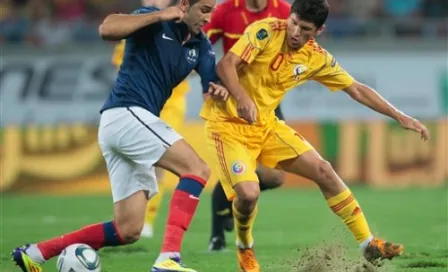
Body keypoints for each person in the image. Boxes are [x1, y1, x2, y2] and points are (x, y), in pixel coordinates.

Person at [200, 0, 430, 271]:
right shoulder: (265, 31)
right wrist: (241, 98)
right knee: (249, 195)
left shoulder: (316, 58)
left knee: (324, 170)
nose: (295, 32)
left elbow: (356, 89)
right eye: (293, 22)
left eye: (304, 28)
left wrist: (399, 116)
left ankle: (367, 243)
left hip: (266, 126)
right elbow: (226, 64)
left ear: (318, 31)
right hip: (227, 125)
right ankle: (244, 247)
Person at [12, 1, 228, 271]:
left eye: (212, 11)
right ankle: (169, 259)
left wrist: (217, 91)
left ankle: (37, 252)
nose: (208, 18)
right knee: (196, 169)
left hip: (126, 125)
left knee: (127, 229)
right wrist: (161, 14)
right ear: (185, 5)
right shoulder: (155, 19)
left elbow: (212, 84)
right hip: (127, 113)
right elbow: (107, 28)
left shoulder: (201, 47)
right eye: (204, 9)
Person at [202, 0, 291, 251]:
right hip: (234, 100)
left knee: (275, 177)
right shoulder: (225, 10)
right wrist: (208, 85)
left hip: (267, 103)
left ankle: (237, 196)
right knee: (238, 166)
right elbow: (201, 46)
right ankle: (217, 236)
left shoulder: (284, 11)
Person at [111, 0, 192, 238]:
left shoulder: (181, 26)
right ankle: (130, 216)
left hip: (172, 105)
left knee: (160, 162)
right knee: (136, 162)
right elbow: (120, 62)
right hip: (140, 103)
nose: (152, 1)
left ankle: (148, 217)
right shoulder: (136, 25)